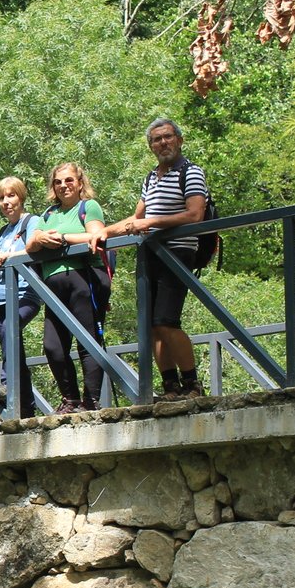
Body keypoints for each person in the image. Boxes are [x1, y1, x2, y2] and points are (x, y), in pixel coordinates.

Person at [108, 118, 209, 400]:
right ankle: (171, 387)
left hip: (177, 252)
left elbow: (194, 214)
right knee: (151, 325)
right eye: (156, 139)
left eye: (167, 137)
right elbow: (137, 218)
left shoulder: (191, 172)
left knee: (167, 321)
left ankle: (192, 384)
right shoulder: (152, 177)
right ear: (150, 146)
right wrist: (102, 233)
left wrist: (150, 223)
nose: (163, 143)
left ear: (179, 139)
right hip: (151, 255)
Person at [28, 162, 109, 413]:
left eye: (69, 180)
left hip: (84, 279)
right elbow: (31, 246)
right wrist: (40, 238)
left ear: (80, 183)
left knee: (87, 340)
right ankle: (70, 399)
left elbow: (97, 235)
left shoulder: (88, 207)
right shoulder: (49, 214)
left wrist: (63, 239)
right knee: (53, 345)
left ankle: (91, 400)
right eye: (58, 182)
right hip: (53, 285)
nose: (64, 185)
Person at [0, 177, 43, 418]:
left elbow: (35, 247)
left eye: (11, 196)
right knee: (14, 349)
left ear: (21, 197)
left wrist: (11, 256)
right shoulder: (3, 231)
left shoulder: (31, 221)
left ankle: (7, 385)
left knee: (12, 332)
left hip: (24, 294)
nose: (6, 202)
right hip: (0, 298)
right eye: (1, 198)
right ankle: (27, 408)